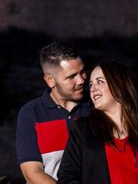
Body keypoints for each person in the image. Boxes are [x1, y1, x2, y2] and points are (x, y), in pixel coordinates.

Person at [57, 60, 138, 184]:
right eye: (91, 84)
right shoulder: (82, 128)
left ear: (119, 85)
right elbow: (67, 177)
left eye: (100, 82)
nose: (92, 88)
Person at [16, 42, 90, 183]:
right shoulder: (31, 113)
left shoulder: (96, 107)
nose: (81, 80)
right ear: (50, 80)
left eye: (83, 72)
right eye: (72, 76)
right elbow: (32, 173)